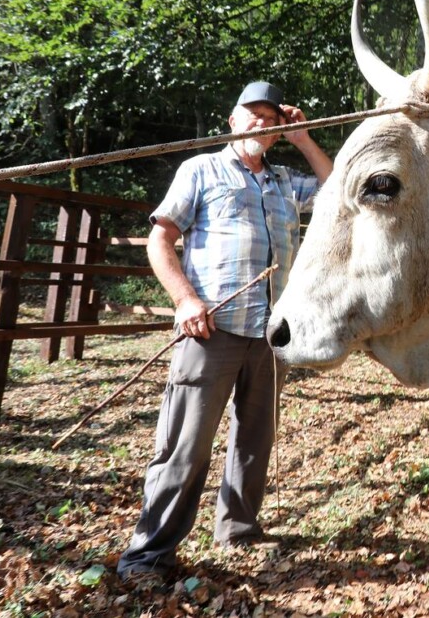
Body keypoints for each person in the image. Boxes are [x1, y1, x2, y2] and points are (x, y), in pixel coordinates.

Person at [117, 80, 332, 582]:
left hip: (271, 333)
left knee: (256, 438)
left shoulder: (285, 180)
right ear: (232, 121)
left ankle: (238, 527)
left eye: (271, 118)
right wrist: (185, 300)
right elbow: (160, 240)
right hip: (212, 329)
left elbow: (338, 187)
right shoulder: (201, 170)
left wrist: (303, 139)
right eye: (251, 114)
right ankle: (146, 556)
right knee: (186, 444)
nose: (261, 122)